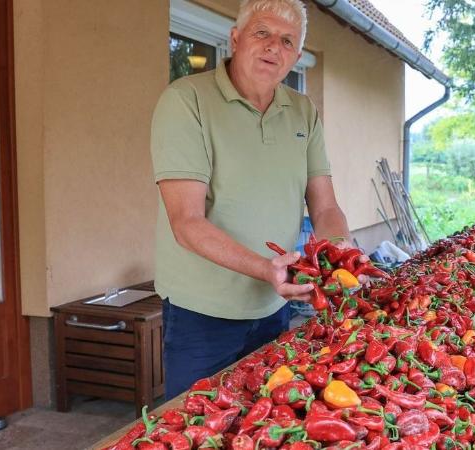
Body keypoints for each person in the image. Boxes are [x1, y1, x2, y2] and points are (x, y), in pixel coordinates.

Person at [151, 0, 354, 399]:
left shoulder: (303, 112)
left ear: (296, 55)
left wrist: (342, 252)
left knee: (264, 420)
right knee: (197, 424)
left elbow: (326, 206)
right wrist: (265, 269)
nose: (273, 47)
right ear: (235, 38)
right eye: (262, 32)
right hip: (202, 314)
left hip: (274, 308)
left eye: (287, 41)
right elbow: (186, 222)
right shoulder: (185, 100)